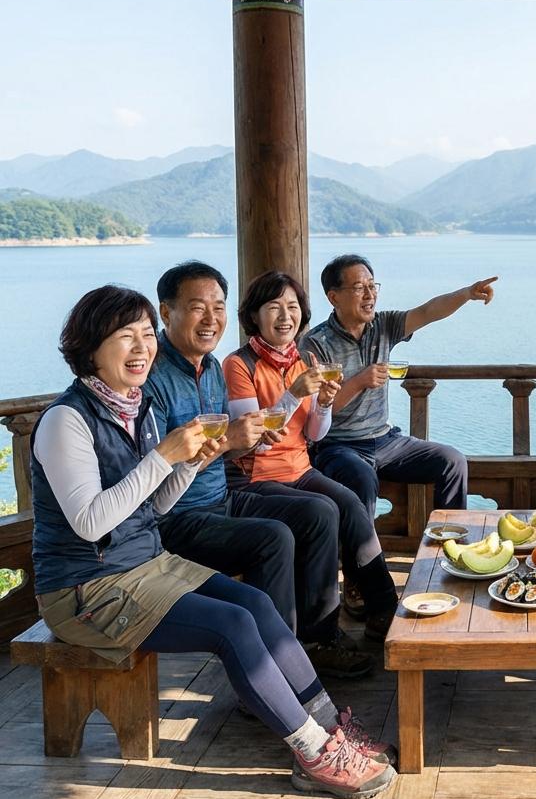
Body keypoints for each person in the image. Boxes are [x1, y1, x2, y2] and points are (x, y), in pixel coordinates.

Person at [31, 285, 395, 799]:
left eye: (143, 336)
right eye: (125, 337)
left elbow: (154, 507)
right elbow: (91, 524)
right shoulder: (66, 420)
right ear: (91, 347)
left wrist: (198, 459)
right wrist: (163, 456)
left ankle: (331, 725)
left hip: (143, 564)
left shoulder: (138, 409)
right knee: (232, 625)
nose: (141, 348)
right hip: (85, 591)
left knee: (256, 603)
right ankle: (313, 750)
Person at [144, 261, 372, 678]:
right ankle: (275, 669)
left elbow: (231, 451)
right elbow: (157, 471)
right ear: (165, 313)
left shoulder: (210, 369)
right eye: (198, 308)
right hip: (177, 516)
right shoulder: (156, 377)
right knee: (274, 536)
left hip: (221, 496)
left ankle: (319, 639)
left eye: (218, 307)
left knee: (321, 511)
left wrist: (237, 440)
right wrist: (239, 436)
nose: (211, 319)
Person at [224, 270, 399, 641]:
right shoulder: (239, 365)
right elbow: (256, 441)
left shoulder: (302, 360)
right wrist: (293, 393)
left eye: (292, 307)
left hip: (299, 468)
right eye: (274, 307)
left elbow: (314, 434)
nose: (285, 317)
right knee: (322, 511)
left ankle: (383, 608)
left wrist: (323, 403)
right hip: (257, 478)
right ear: (254, 316)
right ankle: (322, 634)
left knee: (350, 503)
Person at [299, 254, 486, 538]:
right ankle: (362, 571)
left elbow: (428, 312)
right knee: (361, 478)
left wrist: (467, 293)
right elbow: (318, 411)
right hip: (337, 445)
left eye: (373, 286)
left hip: (386, 440)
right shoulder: (315, 343)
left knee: (452, 461)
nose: (370, 294)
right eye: (360, 287)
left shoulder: (383, 325)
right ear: (334, 297)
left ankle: (451, 547)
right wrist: (360, 381)